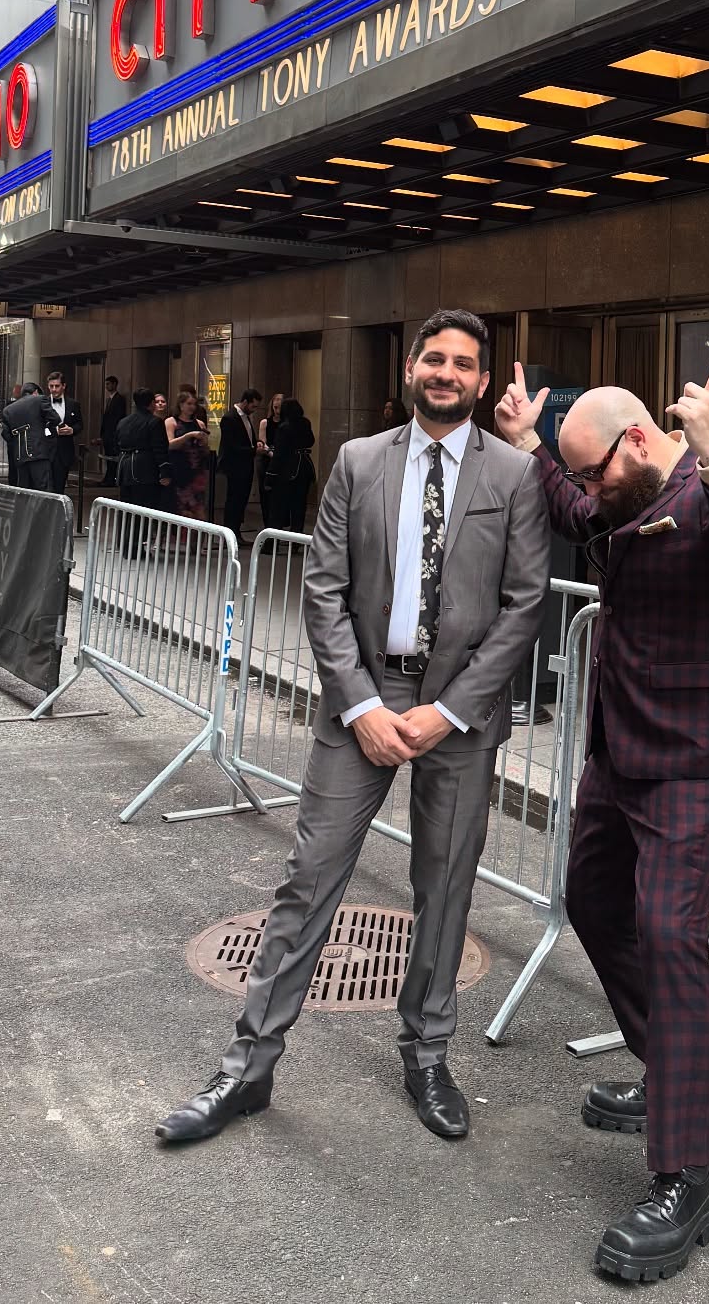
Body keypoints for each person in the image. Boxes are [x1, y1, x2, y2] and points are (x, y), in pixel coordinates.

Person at [156, 310, 549, 1148]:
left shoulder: (515, 475)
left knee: (444, 892)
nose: (447, 373)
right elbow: (322, 588)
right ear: (410, 369)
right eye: (434, 359)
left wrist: (447, 712)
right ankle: (247, 1068)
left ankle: (428, 1055)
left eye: (463, 364)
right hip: (363, 697)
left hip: (462, 713)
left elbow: (524, 606)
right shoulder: (358, 463)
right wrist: (364, 705)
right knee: (309, 881)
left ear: (483, 383)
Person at [494, 348, 709, 1283]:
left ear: (635, 441)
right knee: (593, 900)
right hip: (621, 746)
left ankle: (684, 1177)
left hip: (700, 750)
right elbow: (575, 504)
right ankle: (685, 1079)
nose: (584, 490)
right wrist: (535, 446)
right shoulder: (614, 491)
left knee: (668, 931)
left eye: (591, 469)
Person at [116, 388, 173, 546]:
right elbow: (159, 449)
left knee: (127, 508)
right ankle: (136, 546)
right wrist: (165, 471)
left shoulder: (124, 421)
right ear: (151, 404)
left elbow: (118, 443)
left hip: (125, 468)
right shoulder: (154, 422)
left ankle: (126, 545)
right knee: (144, 509)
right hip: (145, 469)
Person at [265, 398, 316, 532]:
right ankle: (297, 538)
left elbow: (279, 454)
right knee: (299, 507)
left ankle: (271, 540)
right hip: (304, 467)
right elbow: (311, 441)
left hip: (287, 470)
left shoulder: (284, 427)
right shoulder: (305, 423)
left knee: (278, 507)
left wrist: (270, 474)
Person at [218, 388, 261, 542]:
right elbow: (231, 445)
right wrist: (253, 449)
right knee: (234, 500)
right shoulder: (230, 418)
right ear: (245, 402)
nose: (254, 410)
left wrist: (257, 445)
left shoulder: (246, 418)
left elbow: (248, 438)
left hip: (246, 464)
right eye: (253, 406)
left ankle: (236, 531)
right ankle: (230, 533)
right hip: (235, 466)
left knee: (242, 500)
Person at [165, 390, 211, 521]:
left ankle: (199, 538)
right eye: (189, 403)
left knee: (199, 507)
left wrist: (203, 442)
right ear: (180, 405)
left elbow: (206, 450)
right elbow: (170, 444)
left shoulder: (199, 423)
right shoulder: (171, 422)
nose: (192, 407)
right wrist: (188, 436)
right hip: (180, 469)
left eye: (194, 404)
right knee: (181, 507)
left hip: (197, 471)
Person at [2, 383, 57, 492]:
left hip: (20, 455)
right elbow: (55, 418)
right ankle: (43, 510)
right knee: (44, 489)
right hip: (39, 452)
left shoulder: (8, 410)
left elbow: (6, 435)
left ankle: (25, 509)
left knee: (24, 491)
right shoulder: (40, 399)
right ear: (36, 392)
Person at [45, 372, 84, 494]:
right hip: (45, 451)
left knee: (59, 487)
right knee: (44, 487)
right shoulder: (42, 403)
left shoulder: (73, 404)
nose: (54, 389)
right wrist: (54, 431)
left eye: (57, 386)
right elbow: (39, 426)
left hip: (64, 452)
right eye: (51, 386)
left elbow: (79, 424)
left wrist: (72, 430)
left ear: (64, 386)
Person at [257, 392, 284, 523]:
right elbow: (262, 443)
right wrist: (271, 453)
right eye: (276, 400)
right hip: (268, 461)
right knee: (266, 495)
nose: (278, 402)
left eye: (281, 400)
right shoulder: (265, 422)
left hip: (282, 462)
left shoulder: (287, 424)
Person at [99, 376, 127, 486]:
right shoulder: (109, 400)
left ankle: (111, 479)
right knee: (108, 457)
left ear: (115, 384)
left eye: (109, 384)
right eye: (106, 384)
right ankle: (108, 478)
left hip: (113, 434)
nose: (107, 386)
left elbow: (117, 418)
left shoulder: (119, 399)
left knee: (112, 457)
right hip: (107, 434)